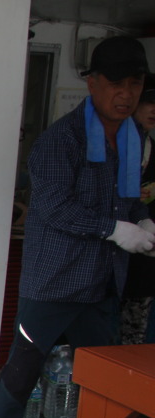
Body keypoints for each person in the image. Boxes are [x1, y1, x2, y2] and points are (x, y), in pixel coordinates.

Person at [0, 36, 154, 418]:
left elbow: (127, 200)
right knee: (22, 370)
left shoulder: (133, 138)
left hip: (102, 282)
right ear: (92, 83)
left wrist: (142, 220)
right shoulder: (61, 140)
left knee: (105, 378)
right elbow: (54, 207)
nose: (126, 94)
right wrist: (115, 230)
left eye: (135, 84)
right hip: (53, 281)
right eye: (115, 83)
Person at [121, 74, 155, 343]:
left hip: (144, 257)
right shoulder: (110, 145)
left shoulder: (151, 148)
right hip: (107, 251)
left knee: (133, 335)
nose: (154, 110)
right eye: (148, 102)